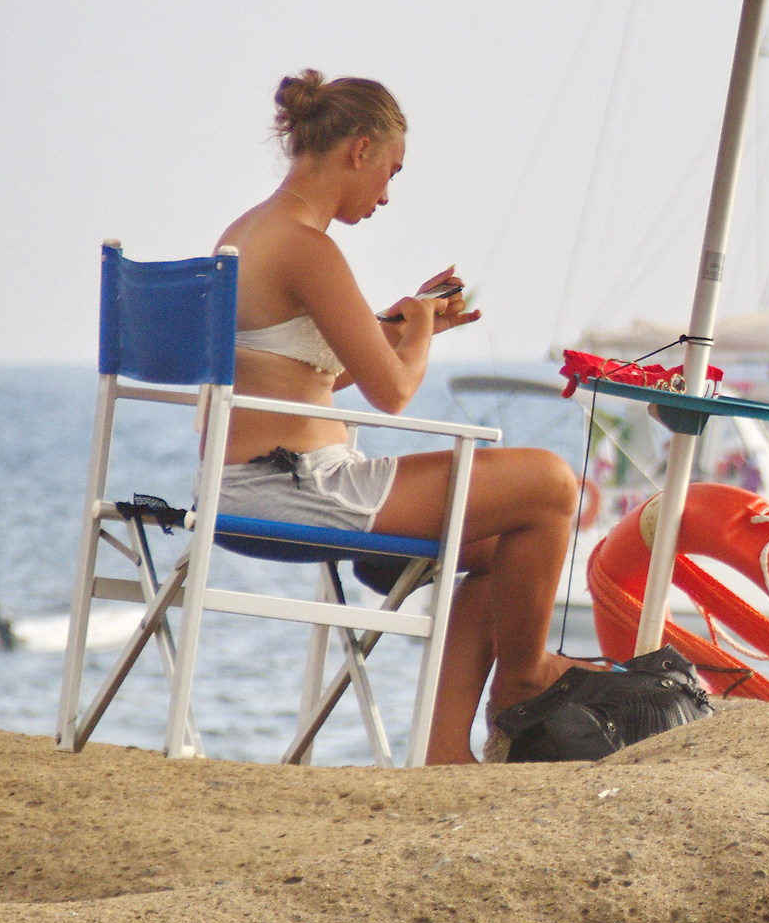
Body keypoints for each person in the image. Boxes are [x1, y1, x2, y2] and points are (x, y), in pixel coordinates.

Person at [216, 69, 585, 764]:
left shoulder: (253, 231)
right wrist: (412, 336)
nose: (387, 194)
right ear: (359, 149)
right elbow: (393, 392)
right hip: (299, 490)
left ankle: (447, 750)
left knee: (508, 549)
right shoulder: (307, 246)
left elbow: (314, 370)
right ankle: (524, 682)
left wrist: (410, 323)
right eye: (390, 171)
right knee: (552, 483)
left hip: (268, 481)